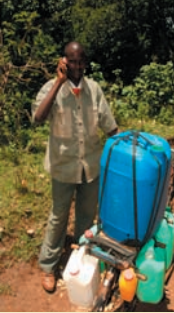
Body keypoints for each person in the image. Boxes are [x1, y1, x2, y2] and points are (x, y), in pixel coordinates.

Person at [32, 41, 118, 292]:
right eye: (72, 61)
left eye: (80, 61)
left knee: (86, 217)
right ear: (64, 61)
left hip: (90, 166)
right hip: (62, 167)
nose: (77, 66)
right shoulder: (52, 88)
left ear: (85, 62)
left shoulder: (94, 90)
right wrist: (58, 82)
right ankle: (48, 265)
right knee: (58, 217)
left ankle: (81, 258)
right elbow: (38, 118)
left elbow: (109, 125)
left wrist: (124, 146)